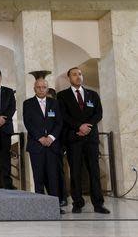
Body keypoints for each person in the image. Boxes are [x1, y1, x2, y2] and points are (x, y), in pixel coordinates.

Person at [57, 67, 110, 214]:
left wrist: (88, 126)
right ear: (69, 78)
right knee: (75, 172)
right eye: (74, 74)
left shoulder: (92, 94)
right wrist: (79, 127)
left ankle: (98, 204)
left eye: (80, 74)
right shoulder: (62, 95)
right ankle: (77, 203)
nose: (78, 76)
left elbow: (98, 113)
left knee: (94, 171)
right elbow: (63, 115)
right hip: (74, 139)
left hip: (91, 139)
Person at [23, 79, 64, 214]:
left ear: (47, 89)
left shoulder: (54, 103)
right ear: (34, 89)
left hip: (52, 146)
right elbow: (28, 123)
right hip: (36, 146)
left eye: (44, 87)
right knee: (38, 177)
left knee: (53, 177)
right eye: (38, 87)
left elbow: (59, 123)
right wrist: (40, 138)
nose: (41, 89)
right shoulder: (28, 103)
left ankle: (54, 207)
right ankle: (40, 207)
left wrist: (51, 138)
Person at [47, 88, 68, 207]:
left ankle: (63, 197)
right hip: (44, 145)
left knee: (59, 173)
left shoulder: (58, 108)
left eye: (49, 97)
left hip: (57, 145)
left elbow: (61, 127)